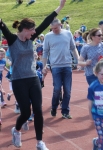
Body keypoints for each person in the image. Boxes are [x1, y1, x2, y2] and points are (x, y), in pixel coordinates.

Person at [0, 0, 66, 149]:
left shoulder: (32, 39)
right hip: (18, 80)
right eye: (32, 30)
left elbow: (46, 22)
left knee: (37, 109)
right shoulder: (12, 39)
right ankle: (16, 130)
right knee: (25, 113)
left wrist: (60, 6)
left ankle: (39, 142)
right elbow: (1, 24)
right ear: (25, 29)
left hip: (33, 78)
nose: (35, 32)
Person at [42, 18, 79, 119]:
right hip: (55, 66)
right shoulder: (48, 36)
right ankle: (54, 107)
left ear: (60, 25)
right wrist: (44, 65)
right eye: (52, 28)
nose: (54, 30)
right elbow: (45, 52)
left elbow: (73, 48)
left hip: (67, 65)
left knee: (67, 90)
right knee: (57, 88)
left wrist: (78, 60)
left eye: (56, 28)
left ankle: (65, 111)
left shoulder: (68, 34)